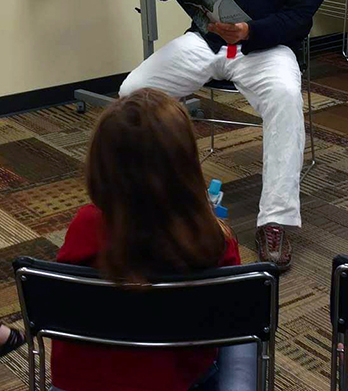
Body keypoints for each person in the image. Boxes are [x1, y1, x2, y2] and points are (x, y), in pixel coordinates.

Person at [120, 0, 334, 271]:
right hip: (207, 41)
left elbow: (299, 17)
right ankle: (152, 201)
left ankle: (275, 221)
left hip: (267, 47)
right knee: (133, 92)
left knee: (287, 99)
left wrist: (251, 31)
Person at [51, 88, 255, 391]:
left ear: (99, 166)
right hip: (175, 382)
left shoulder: (84, 226)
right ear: (185, 166)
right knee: (248, 317)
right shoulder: (212, 240)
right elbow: (232, 321)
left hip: (79, 385)